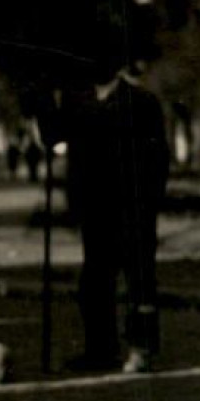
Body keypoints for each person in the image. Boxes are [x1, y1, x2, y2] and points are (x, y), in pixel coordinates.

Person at [59, 55, 170, 374]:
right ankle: (100, 349)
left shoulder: (142, 102)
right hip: (96, 207)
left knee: (140, 280)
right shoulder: (78, 103)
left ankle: (142, 347)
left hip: (134, 206)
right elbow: (59, 144)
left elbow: (159, 157)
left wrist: (151, 200)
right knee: (95, 282)